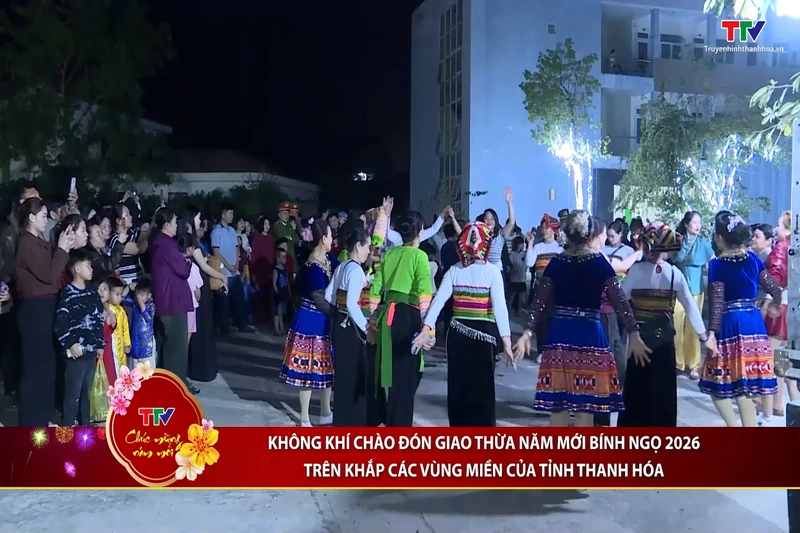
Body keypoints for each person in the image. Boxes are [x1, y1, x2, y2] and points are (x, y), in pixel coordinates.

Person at [513, 210, 650, 427]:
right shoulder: (599, 263)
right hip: (589, 335)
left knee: (559, 404)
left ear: (567, 233)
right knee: (586, 406)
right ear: (590, 234)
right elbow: (620, 301)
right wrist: (633, 332)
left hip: (561, 334)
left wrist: (528, 332)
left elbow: (539, 301)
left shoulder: (557, 263)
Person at [413, 222, 512, 426]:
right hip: (483, 336)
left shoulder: (454, 270)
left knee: (459, 388)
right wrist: (507, 341)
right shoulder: (492, 271)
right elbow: (500, 308)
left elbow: (438, 302)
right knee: (483, 390)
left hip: (458, 335)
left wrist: (426, 327)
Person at [618, 223, 713, 427]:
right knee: (662, 391)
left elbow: (620, 300)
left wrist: (630, 329)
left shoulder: (636, 271)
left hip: (639, 339)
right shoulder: (674, 274)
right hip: (665, 340)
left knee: (637, 391)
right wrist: (704, 336)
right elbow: (691, 307)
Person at [698, 211, 782, 427]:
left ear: (719, 238)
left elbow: (717, 302)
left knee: (717, 381)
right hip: (753, 323)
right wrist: (774, 303)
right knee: (745, 385)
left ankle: (734, 429)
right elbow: (773, 287)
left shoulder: (717, 265)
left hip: (730, 324)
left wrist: (712, 333)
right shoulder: (752, 259)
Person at [368, 211, 433, 427]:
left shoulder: (390, 254)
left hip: (388, 316)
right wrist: (428, 327)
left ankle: (389, 418)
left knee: (392, 371)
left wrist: (373, 320)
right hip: (409, 316)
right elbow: (424, 292)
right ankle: (399, 425)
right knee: (407, 374)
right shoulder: (419, 256)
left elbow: (375, 289)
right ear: (419, 232)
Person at [15, 197, 76, 426]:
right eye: (42, 215)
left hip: (45, 306)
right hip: (35, 311)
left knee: (47, 366)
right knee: (36, 368)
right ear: (31, 218)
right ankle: (31, 421)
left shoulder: (37, 240)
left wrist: (64, 247)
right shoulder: (26, 243)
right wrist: (62, 249)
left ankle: (44, 418)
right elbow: (49, 275)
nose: (46, 219)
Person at [278, 218, 334, 426]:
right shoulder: (312, 267)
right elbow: (319, 300)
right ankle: (304, 417)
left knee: (326, 366)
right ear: (323, 239)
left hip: (323, 321)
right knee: (308, 370)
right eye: (330, 235)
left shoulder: (328, 260)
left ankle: (326, 411)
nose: (333, 239)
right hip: (310, 320)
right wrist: (339, 313)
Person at [325, 223, 374, 426]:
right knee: (354, 378)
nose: (369, 251)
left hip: (340, 325)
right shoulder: (355, 270)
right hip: (352, 329)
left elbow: (328, 295)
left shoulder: (342, 265)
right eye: (367, 246)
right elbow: (353, 305)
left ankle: (341, 422)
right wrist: (367, 328)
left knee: (343, 378)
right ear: (358, 246)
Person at [54, 250, 105, 427]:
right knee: (72, 395)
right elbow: (60, 323)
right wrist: (71, 343)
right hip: (75, 355)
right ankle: (68, 429)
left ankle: (85, 429)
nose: (91, 269)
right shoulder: (67, 293)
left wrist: (100, 344)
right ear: (77, 269)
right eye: (87, 266)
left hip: (91, 353)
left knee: (86, 394)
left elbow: (98, 319)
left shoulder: (92, 292)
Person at [149, 208, 197, 394]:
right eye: (175, 222)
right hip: (173, 303)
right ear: (167, 225)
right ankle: (175, 391)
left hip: (166, 302)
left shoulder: (158, 242)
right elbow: (183, 270)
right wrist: (188, 262)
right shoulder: (168, 245)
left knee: (169, 349)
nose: (177, 226)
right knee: (176, 352)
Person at [762, 211, 796, 422]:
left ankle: (773, 406)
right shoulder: (795, 247)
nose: (775, 228)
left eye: (779, 225)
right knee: (787, 361)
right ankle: (787, 402)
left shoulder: (782, 248)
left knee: (772, 357)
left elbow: (775, 278)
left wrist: (767, 301)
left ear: (788, 229)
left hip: (779, 305)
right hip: (792, 308)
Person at [673, 211, 715, 380]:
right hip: (678, 288)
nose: (698, 225)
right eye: (694, 222)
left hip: (696, 289)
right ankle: (678, 363)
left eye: (699, 222)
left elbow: (713, 260)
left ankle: (693, 364)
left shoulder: (703, 242)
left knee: (694, 327)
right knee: (676, 324)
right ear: (686, 224)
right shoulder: (678, 241)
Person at [211, 203, 253, 334]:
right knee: (224, 303)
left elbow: (236, 248)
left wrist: (236, 264)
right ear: (223, 214)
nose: (231, 216)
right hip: (223, 273)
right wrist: (228, 265)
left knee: (240, 299)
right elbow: (216, 252)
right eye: (230, 213)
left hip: (234, 272)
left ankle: (242, 324)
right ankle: (224, 328)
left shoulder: (232, 231)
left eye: (232, 213)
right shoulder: (216, 231)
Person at [126, 279, 156, 369]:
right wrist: (128, 287)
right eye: (137, 295)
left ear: (149, 295)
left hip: (147, 343)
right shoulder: (134, 304)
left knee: (148, 370)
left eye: (142, 295)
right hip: (135, 341)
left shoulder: (151, 305)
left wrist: (142, 304)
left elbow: (148, 317)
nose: (139, 297)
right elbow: (123, 297)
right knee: (135, 369)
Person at [107, 277, 131, 374]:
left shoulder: (121, 310)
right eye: (117, 294)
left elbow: (125, 328)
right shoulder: (107, 310)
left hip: (120, 345)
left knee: (122, 367)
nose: (120, 297)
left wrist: (127, 343)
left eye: (121, 294)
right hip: (111, 345)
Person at [272, 248, 290, 335]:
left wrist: (289, 291)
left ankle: (282, 328)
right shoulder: (276, 270)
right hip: (278, 294)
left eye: (285, 257)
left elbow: (287, 281)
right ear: (277, 258)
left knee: (281, 312)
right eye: (282, 257)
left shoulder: (285, 269)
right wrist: (276, 291)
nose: (284, 259)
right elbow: (274, 282)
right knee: (277, 312)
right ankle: (276, 329)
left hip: (284, 293)